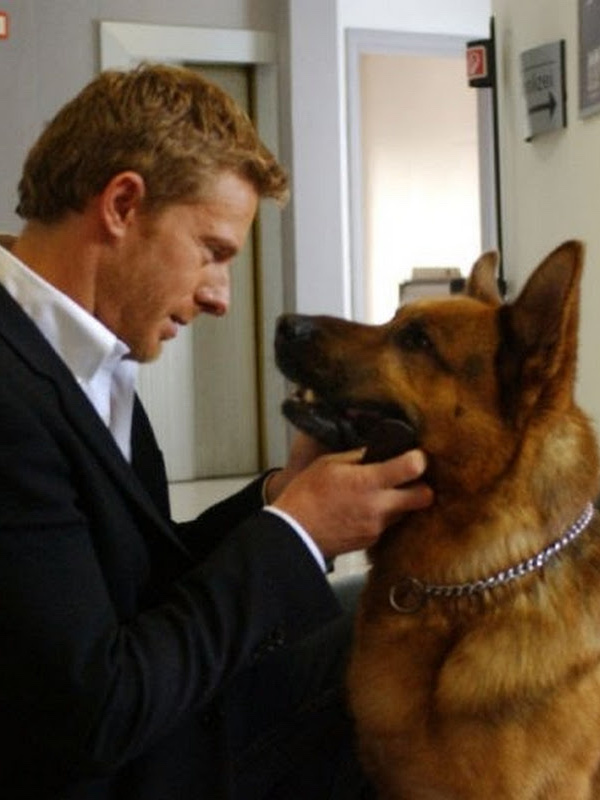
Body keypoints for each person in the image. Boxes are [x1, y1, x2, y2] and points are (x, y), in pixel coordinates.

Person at [0, 63, 433, 799]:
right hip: (116, 767)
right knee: (414, 641)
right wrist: (298, 535)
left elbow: (138, 580)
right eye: (214, 252)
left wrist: (280, 497)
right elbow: (95, 713)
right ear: (123, 204)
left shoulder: (83, 356)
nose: (220, 297)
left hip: (144, 723)